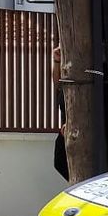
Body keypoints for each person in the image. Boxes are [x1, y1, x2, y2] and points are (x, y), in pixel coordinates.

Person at [51, 44, 69, 181]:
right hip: (66, 131)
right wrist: (57, 61)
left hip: (81, 132)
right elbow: (57, 84)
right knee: (60, 163)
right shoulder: (65, 85)